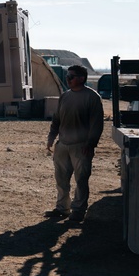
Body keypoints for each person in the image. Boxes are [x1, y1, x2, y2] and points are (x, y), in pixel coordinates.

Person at [45, 64, 104, 221]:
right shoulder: (65, 96)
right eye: (67, 76)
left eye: (71, 76)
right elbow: (56, 119)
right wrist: (51, 137)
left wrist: (90, 143)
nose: (68, 79)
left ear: (81, 78)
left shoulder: (92, 98)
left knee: (81, 180)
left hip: (81, 146)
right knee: (61, 179)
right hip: (63, 145)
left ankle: (78, 211)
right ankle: (62, 208)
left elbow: (96, 124)